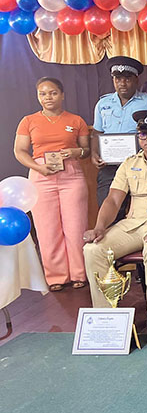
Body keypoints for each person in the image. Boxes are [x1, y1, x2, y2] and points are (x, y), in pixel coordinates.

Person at [82, 111, 147, 344]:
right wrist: (99, 227)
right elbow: (113, 199)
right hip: (131, 224)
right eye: (143, 134)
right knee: (93, 249)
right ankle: (106, 319)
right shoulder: (129, 163)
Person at [14, 77, 90, 291]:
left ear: (62, 94)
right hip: (41, 176)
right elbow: (19, 151)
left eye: (53, 93)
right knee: (47, 230)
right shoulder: (28, 121)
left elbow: (86, 151)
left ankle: (79, 273)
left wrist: (76, 152)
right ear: (38, 96)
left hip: (72, 175)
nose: (48, 97)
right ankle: (55, 276)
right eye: (43, 94)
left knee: (75, 227)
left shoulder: (76, 120)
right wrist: (38, 167)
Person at [91, 56, 147, 207]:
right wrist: (94, 153)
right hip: (109, 166)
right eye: (118, 79)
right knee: (108, 207)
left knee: (141, 209)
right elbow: (97, 132)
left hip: (140, 164)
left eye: (127, 78)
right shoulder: (103, 103)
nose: (122, 83)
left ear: (136, 79)